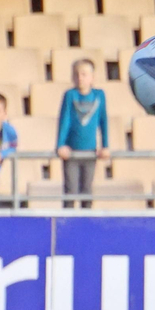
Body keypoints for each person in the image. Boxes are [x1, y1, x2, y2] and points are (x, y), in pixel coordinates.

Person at [55, 59, 109, 209]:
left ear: (92, 77)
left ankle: (86, 223)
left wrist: (105, 145)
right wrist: (60, 145)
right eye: (76, 74)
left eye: (84, 74)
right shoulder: (70, 95)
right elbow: (64, 120)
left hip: (90, 152)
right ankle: (67, 223)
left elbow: (103, 121)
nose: (80, 78)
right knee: (70, 190)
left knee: (86, 190)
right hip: (71, 152)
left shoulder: (99, 95)